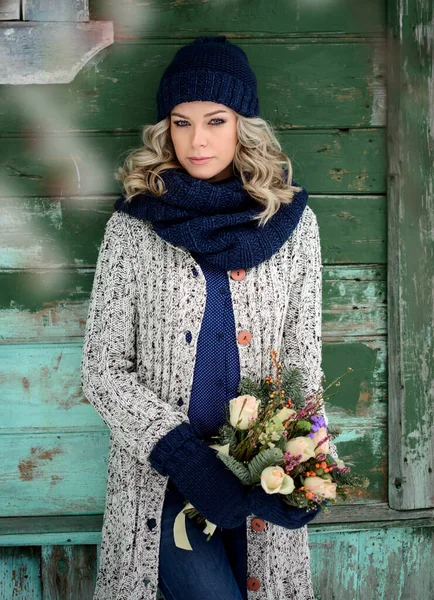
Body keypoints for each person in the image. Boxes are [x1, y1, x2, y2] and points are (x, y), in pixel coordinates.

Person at [81, 35, 338, 600]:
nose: (197, 140)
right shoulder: (133, 229)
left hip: (262, 480)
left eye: (215, 120)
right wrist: (189, 463)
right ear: (164, 129)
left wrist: (316, 470)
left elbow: (302, 364)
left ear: (242, 124)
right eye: (181, 121)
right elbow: (102, 370)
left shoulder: (293, 225)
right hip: (165, 483)